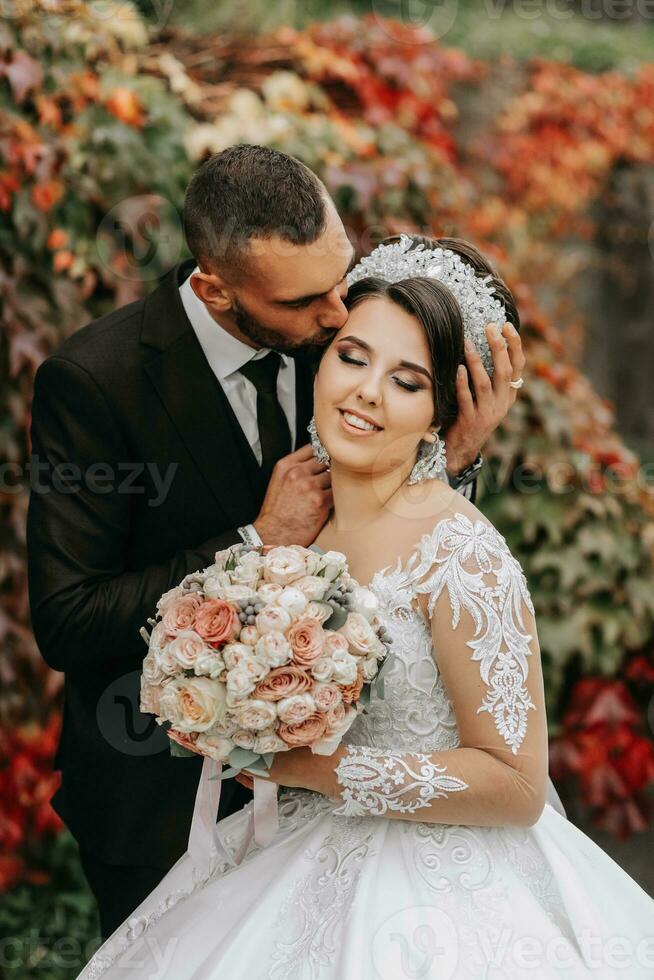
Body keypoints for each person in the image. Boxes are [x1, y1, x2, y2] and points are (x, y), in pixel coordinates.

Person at [77, 235, 654, 980]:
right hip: (296, 850)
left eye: (408, 381)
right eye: (353, 357)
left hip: (441, 897)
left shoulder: (460, 551)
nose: (366, 393)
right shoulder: (306, 523)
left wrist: (315, 768)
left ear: (444, 405)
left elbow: (515, 786)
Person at [25, 146, 523, 941]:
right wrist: (256, 537)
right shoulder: (96, 382)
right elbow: (69, 618)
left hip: (333, 806)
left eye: (341, 276)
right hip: (158, 804)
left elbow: (393, 553)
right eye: (308, 300)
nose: (339, 315)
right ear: (217, 287)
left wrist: (449, 457)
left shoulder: (348, 342)